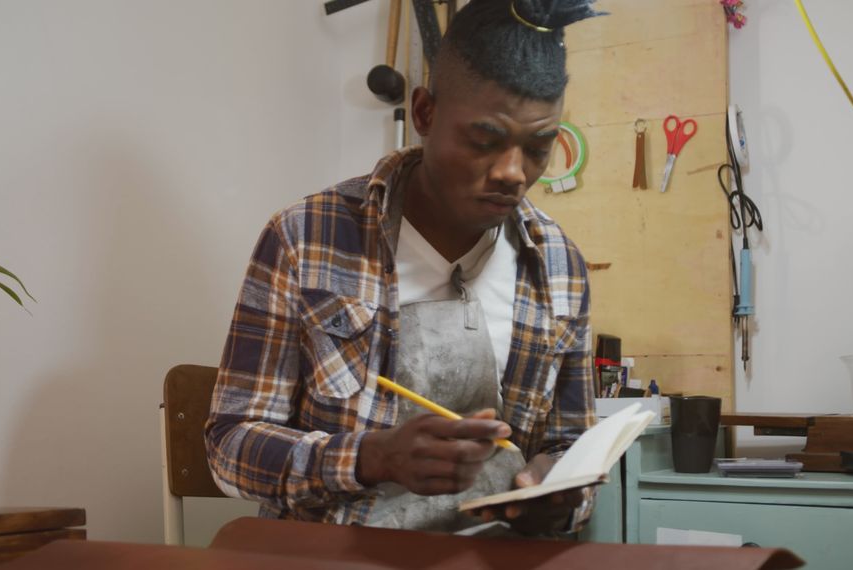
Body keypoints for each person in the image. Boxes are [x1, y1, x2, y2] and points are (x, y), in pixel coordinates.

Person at [206, 0, 601, 536]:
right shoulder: (306, 238)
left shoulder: (560, 269)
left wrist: (555, 493)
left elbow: (569, 448)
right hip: (334, 553)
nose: (512, 173)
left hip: (493, 554)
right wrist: (371, 458)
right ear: (424, 114)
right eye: (484, 141)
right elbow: (229, 446)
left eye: (537, 147)